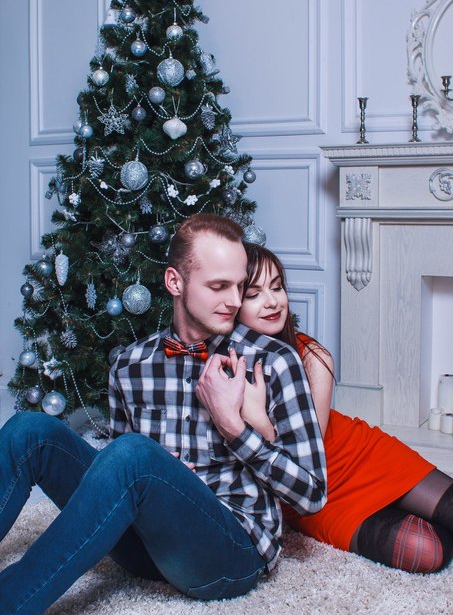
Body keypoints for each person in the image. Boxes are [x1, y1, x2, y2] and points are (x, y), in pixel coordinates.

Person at [0, 214, 326, 614]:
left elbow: (313, 494)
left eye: (240, 286)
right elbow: (111, 471)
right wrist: (160, 474)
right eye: (218, 286)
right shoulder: (129, 364)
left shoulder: (273, 361)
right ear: (175, 282)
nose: (235, 301)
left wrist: (235, 429)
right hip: (145, 544)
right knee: (29, 430)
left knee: (133, 454)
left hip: (232, 553)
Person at [236, 242, 453, 574]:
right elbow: (294, 476)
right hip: (315, 496)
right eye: (254, 294)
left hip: (358, 455)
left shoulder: (313, 358)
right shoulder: (222, 366)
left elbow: (306, 453)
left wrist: (258, 423)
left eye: (277, 287)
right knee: (426, 552)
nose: (272, 301)